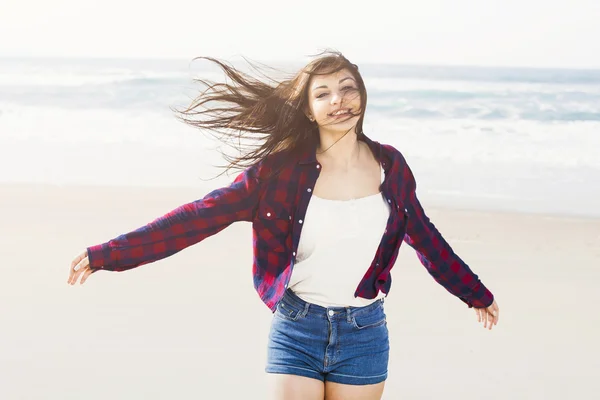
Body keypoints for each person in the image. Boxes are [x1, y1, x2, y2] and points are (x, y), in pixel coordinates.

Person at [67, 50, 499, 400]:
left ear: (363, 97)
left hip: (365, 331)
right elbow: (198, 217)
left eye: (348, 89)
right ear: (309, 110)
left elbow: (424, 237)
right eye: (324, 94)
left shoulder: (391, 166)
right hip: (297, 326)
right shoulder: (278, 173)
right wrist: (109, 254)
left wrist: (473, 292)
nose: (339, 101)